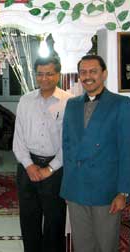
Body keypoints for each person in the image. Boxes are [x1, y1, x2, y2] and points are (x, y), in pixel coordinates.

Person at [60, 54, 130, 252]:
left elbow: (127, 151)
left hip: (106, 190)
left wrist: (123, 192)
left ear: (104, 74)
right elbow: (67, 147)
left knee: (106, 245)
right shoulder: (72, 105)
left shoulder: (121, 104)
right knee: (82, 245)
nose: (87, 76)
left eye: (93, 71)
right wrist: (68, 186)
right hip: (77, 188)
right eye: (83, 72)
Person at [13, 57, 73, 252]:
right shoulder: (25, 100)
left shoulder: (68, 102)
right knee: (29, 220)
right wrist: (28, 165)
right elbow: (18, 138)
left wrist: (50, 168)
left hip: (56, 170)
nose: (44, 78)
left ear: (58, 75)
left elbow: (70, 142)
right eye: (40, 74)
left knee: (54, 222)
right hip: (27, 167)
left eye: (49, 73)